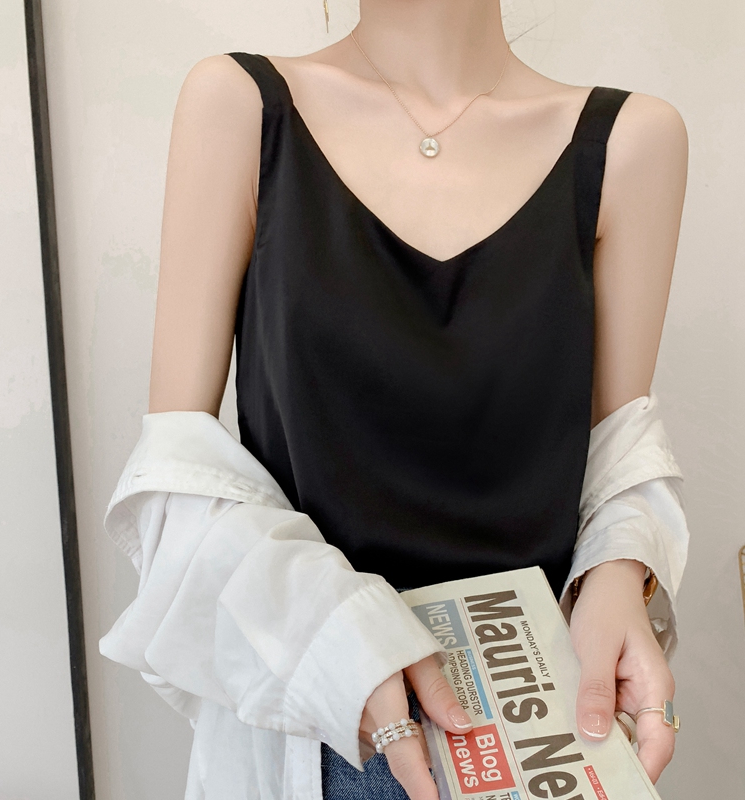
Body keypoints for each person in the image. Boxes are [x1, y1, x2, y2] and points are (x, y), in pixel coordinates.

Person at [99, 2, 690, 799]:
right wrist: (342, 649)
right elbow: (176, 479)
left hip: (537, 730)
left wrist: (619, 574)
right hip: (321, 730)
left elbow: (618, 450)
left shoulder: (632, 142)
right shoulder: (242, 108)